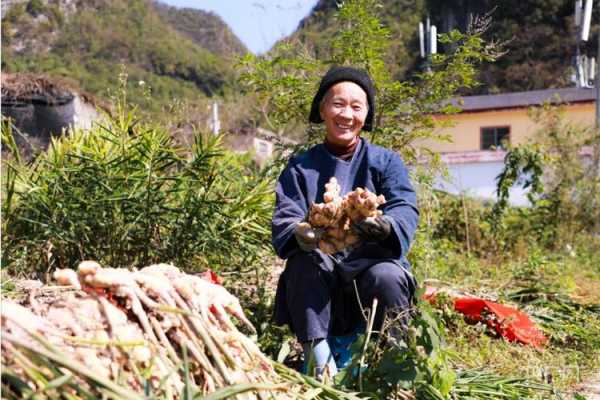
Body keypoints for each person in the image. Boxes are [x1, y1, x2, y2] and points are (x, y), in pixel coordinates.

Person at [271, 66, 419, 378]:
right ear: (322, 109)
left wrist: (387, 225)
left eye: (356, 106)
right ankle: (321, 365)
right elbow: (286, 217)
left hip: (371, 268)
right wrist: (304, 232)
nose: (346, 114)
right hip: (322, 273)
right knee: (302, 265)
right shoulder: (301, 168)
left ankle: (392, 368)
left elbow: (404, 206)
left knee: (388, 276)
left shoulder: (385, 162)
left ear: (367, 114)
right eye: (338, 104)